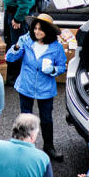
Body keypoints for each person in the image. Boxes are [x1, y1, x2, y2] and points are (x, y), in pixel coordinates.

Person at [6, 13, 67, 162]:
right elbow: (9, 58)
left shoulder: (57, 47)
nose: (37, 32)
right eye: (35, 28)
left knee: (46, 119)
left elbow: (62, 66)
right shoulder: (26, 41)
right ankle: (23, 147)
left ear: (49, 32)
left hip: (45, 88)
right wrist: (17, 46)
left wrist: (53, 70)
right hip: (26, 84)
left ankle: (49, 147)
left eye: (41, 29)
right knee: (25, 117)